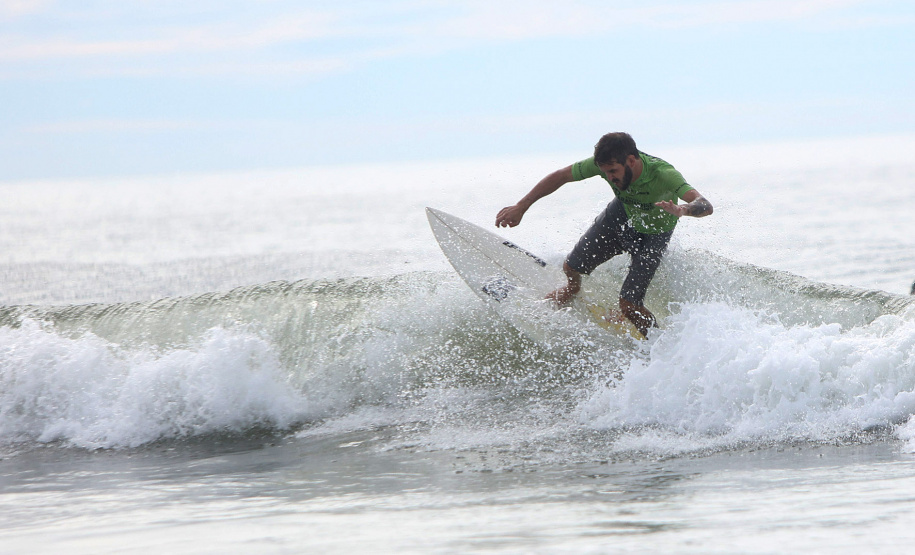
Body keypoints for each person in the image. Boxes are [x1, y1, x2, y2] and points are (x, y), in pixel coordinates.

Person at [495, 132, 713, 338]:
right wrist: (521, 206)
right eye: (605, 172)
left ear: (631, 161)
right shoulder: (605, 164)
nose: (609, 177)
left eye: (613, 172)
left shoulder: (663, 174)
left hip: (655, 234)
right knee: (571, 267)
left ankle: (658, 345)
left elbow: (704, 204)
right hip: (620, 217)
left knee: (629, 305)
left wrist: (683, 210)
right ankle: (572, 289)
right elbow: (561, 176)